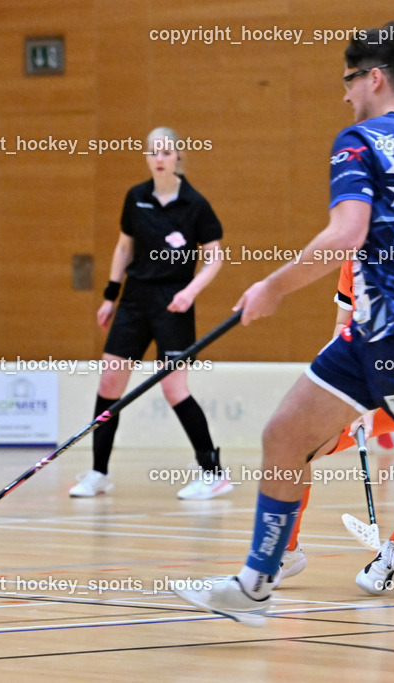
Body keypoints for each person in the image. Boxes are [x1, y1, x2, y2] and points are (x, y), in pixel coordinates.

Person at [172, 20, 394, 626]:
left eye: (350, 80)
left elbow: (345, 233)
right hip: (365, 337)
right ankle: (257, 582)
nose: (345, 94)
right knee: (285, 434)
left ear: (376, 78)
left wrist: (271, 288)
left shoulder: (358, 142)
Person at [276, 259, 394, 594]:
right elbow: (343, 324)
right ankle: (287, 552)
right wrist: (344, 390)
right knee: (298, 443)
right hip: (370, 381)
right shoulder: (355, 258)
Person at [70, 127, 228, 500]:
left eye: (166, 151)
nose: (159, 158)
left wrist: (190, 292)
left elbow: (214, 257)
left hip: (174, 304)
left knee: (174, 388)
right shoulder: (135, 197)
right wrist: (111, 295)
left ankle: (213, 473)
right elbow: (124, 248)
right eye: (152, 151)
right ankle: (98, 472)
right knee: (109, 384)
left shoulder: (195, 204)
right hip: (134, 301)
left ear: (178, 156)